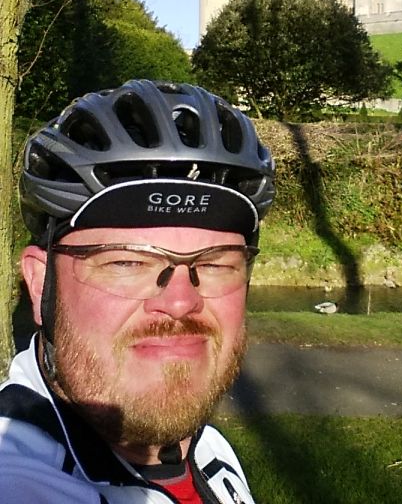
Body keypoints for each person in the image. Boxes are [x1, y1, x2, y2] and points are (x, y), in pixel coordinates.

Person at [0, 79, 275, 504]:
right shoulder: (17, 479)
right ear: (39, 284)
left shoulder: (211, 454)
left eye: (215, 262)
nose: (182, 301)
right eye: (127, 261)